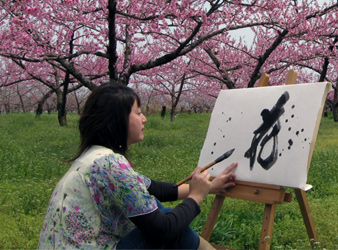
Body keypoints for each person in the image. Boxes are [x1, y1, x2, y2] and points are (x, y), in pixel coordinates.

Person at [38, 83, 237, 249]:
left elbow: (156, 189)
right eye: (138, 112)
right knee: (167, 221)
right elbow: (162, 231)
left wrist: (209, 187)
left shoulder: (94, 157)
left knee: (155, 206)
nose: (145, 119)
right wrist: (196, 197)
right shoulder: (110, 164)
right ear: (117, 120)